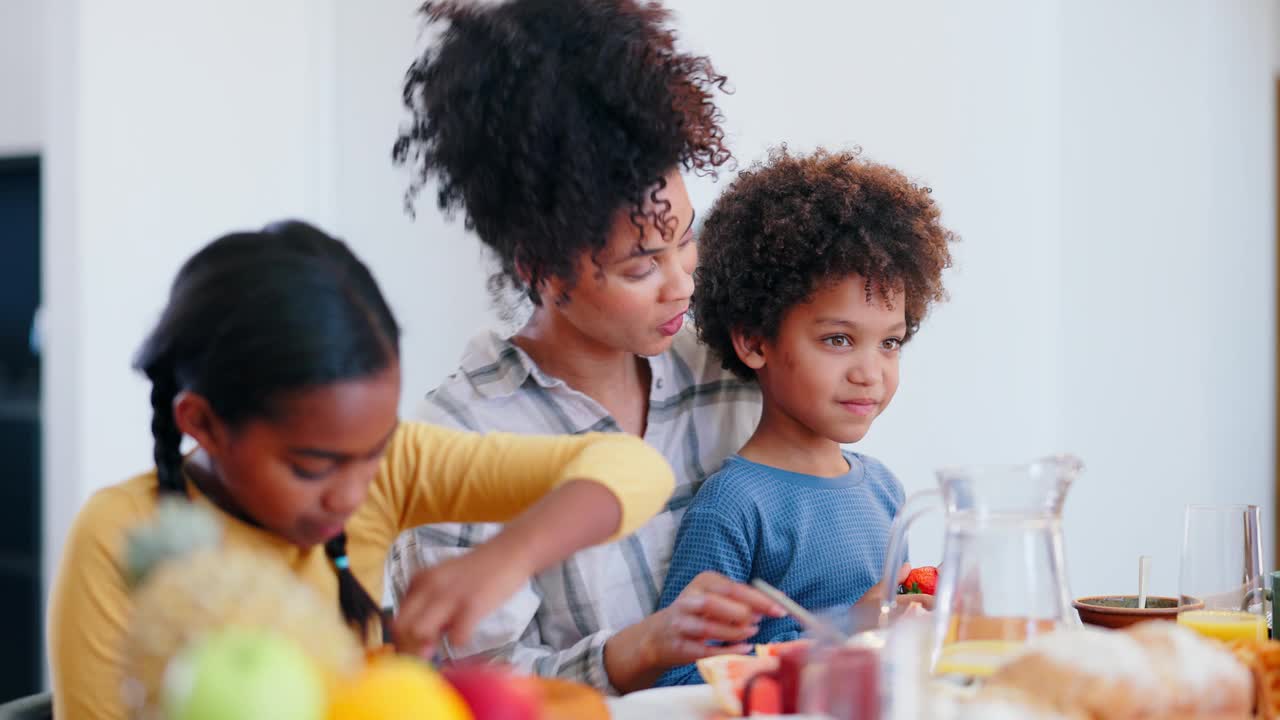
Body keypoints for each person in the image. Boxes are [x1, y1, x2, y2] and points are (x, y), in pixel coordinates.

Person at [47, 220, 676, 719]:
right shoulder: (120, 537)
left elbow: (633, 466)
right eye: (312, 467)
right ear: (203, 424)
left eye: (372, 450)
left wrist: (509, 556)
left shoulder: (394, 470)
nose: (350, 493)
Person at [389, 0, 778, 693]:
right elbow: (475, 688)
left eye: (685, 238)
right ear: (539, 270)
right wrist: (640, 646)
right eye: (639, 267)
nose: (681, 283)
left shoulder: (728, 371)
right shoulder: (466, 437)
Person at [655, 148, 955, 685]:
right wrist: (850, 630)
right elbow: (680, 677)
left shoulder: (885, 491)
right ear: (753, 340)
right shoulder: (734, 506)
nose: (871, 372)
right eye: (838, 340)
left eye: (890, 343)